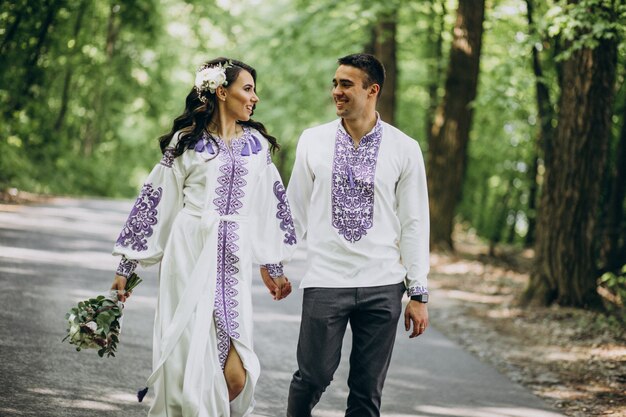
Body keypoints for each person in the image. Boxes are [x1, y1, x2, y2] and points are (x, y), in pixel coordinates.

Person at [110, 57, 296, 417]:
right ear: (221, 92)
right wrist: (127, 265)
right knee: (189, 371)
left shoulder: (257, 146)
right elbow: (157, 201)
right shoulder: (186, 143)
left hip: (235, 262)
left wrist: (273, 265)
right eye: (248, 88)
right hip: (189, 257)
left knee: (236, 378)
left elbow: (267, 207)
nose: (255, 97)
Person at [285, 53, 430, 417]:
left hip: (382, 285)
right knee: (312, 377)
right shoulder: (312, 141)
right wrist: (276, 261)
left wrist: (418, 291)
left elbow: (414, 222)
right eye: (335, 83)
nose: (336, 91)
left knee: (367, 393)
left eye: (346, 84)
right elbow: (294, 209)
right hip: (325, 280)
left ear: (372, 90)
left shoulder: (405, 148)